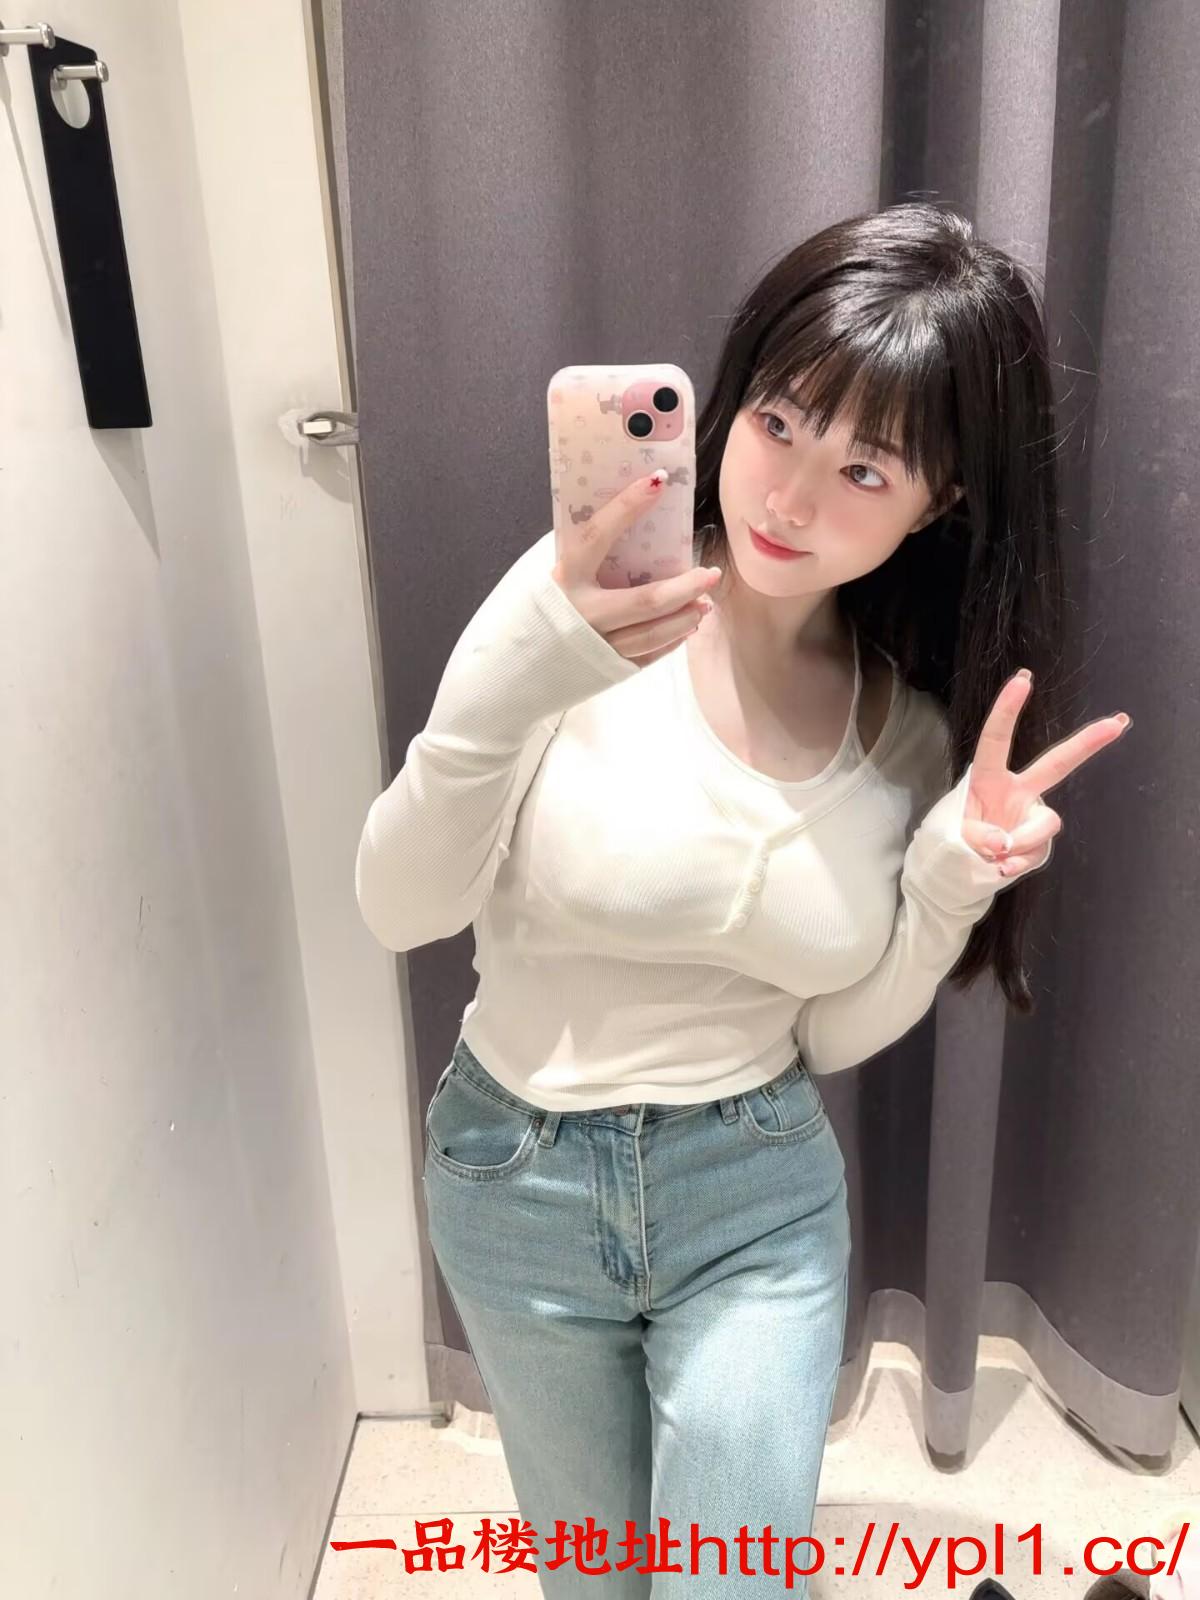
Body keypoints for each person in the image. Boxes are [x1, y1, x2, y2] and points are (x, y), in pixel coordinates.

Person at [354, 201, 1132, 1598]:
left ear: (940, 501)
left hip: (754, 1195)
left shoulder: (904, 734)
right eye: (778, 422)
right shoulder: (573, 607)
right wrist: (514, 675)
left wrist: (947, 885)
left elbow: (821, 1035)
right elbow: (396, 907)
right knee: (595, 1577)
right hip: (516, 1177)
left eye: (865, 468)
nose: (790, 498)